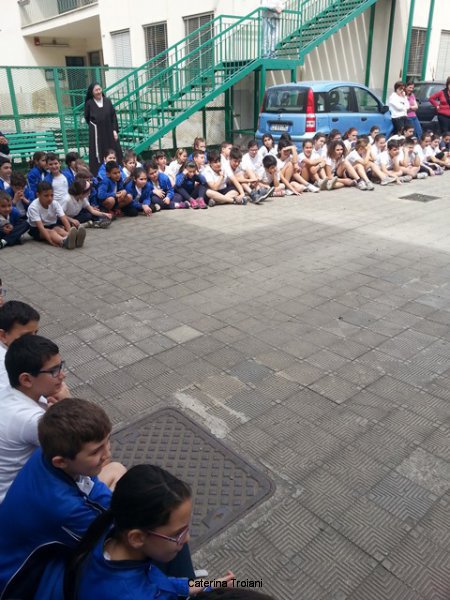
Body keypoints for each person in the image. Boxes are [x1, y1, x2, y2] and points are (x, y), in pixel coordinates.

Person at [0, 399, 195, 597]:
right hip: (21, 580)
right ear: (61, 462)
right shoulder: (63, 508)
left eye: (107, 441)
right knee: (166, 533)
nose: (107, 454)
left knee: (120, 473)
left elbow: (97, 492)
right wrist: (195, 585)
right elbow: (114, 526)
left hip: (61, 567)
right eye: (96, 451)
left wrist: (199, 584)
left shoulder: (53, 454)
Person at [35, 464, 233, 599]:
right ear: (137, 538)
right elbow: (156, 588)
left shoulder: (107, 526)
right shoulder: (134, 594)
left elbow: (160, 583)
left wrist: (206, 586)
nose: (187, 538)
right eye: (178, 534)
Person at [0, 335, 65, 502]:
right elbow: (80, 445)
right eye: (54, 371)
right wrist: (67, 403)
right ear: (26, 379)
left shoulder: (11, 392)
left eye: (61, 366)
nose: (62, 375)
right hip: (13, 501)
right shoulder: (31, 419)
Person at [27, 182, 84, 250]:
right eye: (46, 196)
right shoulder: (33, 207)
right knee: (51, 232)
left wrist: (70, 232)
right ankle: (63, 241)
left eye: (52, 195)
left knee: (58, 229)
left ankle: (73, 238)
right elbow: (41, 228)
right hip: (37, 229)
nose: (50, 198)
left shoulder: (55, 203)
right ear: (38, 195)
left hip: (51, 224)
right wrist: (50, 241)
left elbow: (64, 219)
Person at [84, 82, 122, 176]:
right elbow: (87, 118)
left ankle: (116, 172)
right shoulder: (89, 103)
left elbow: (113, 116)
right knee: (99, 154)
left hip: (109, 131)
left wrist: (114, 130)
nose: (98, 92)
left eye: (99, 89)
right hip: (97, 133)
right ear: (92, 92)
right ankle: (99, 174)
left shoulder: (107, 101)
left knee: (114, 150)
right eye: (96, 90)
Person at [0, 300, 40, 390]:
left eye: (36, 333)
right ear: (3, 336)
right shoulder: (5, 369)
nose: (34, 340)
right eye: (26, 336)